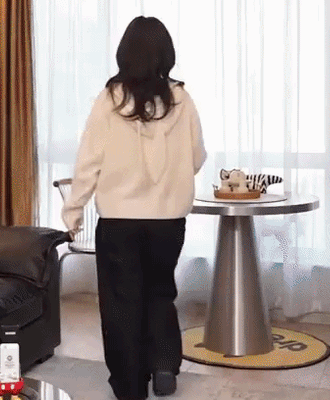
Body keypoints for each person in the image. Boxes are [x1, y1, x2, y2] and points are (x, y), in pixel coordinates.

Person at [61, 16, 207, 400]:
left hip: (119, 221)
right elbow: (197, 157)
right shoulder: (182, 99)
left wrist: (73, 210)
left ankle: (130, 387)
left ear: (124, 53)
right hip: (168, 220)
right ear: (165, 53)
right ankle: (164, 367)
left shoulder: (110, 100)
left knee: (122, 304)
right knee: (161, 292)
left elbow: (88, 162)